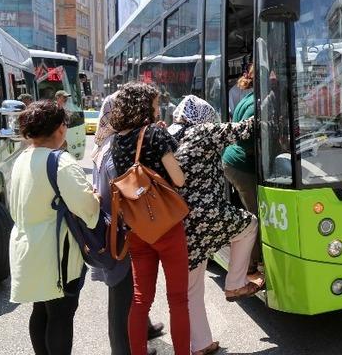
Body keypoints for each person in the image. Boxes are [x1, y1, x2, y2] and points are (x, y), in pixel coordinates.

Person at [168, 96, 261, 355]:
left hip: (178, 221)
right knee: (249, 224)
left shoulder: (170, 133)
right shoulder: (205, 131)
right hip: (207, 215)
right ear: (204, 115)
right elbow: (247, 128)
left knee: (192, 288)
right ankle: (235, 283)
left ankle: (201, 345)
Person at [8, 100, 100, 355]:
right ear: (60, 128)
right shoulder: (60, 162)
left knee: (41, 309)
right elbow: (88, 210)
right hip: (56, 252)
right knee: (61, 315)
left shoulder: (22, 158)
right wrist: (94, 197)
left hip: (27, 247)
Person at [109, 83, 190, 355]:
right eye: (155, 104)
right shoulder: (155, 134)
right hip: (166, 225)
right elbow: (178, 178)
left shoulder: (117, 138)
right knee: (178, 299)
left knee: (141, 300)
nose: (158, 108)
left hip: (137, 227)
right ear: (145, 105)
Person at [91, 95, 162, 355]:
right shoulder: (115, 149)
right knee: (121, 298)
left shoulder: (104, 144)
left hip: (112, 231)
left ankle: (132, 344)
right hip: (121, 234)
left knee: (124, 294)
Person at [223, 64, 264, 279]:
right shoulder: (259, 102)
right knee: (255, 216)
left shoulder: (250, 97)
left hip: (233, 162)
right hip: (240, 164)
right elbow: (247, 139)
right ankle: (250, 265)